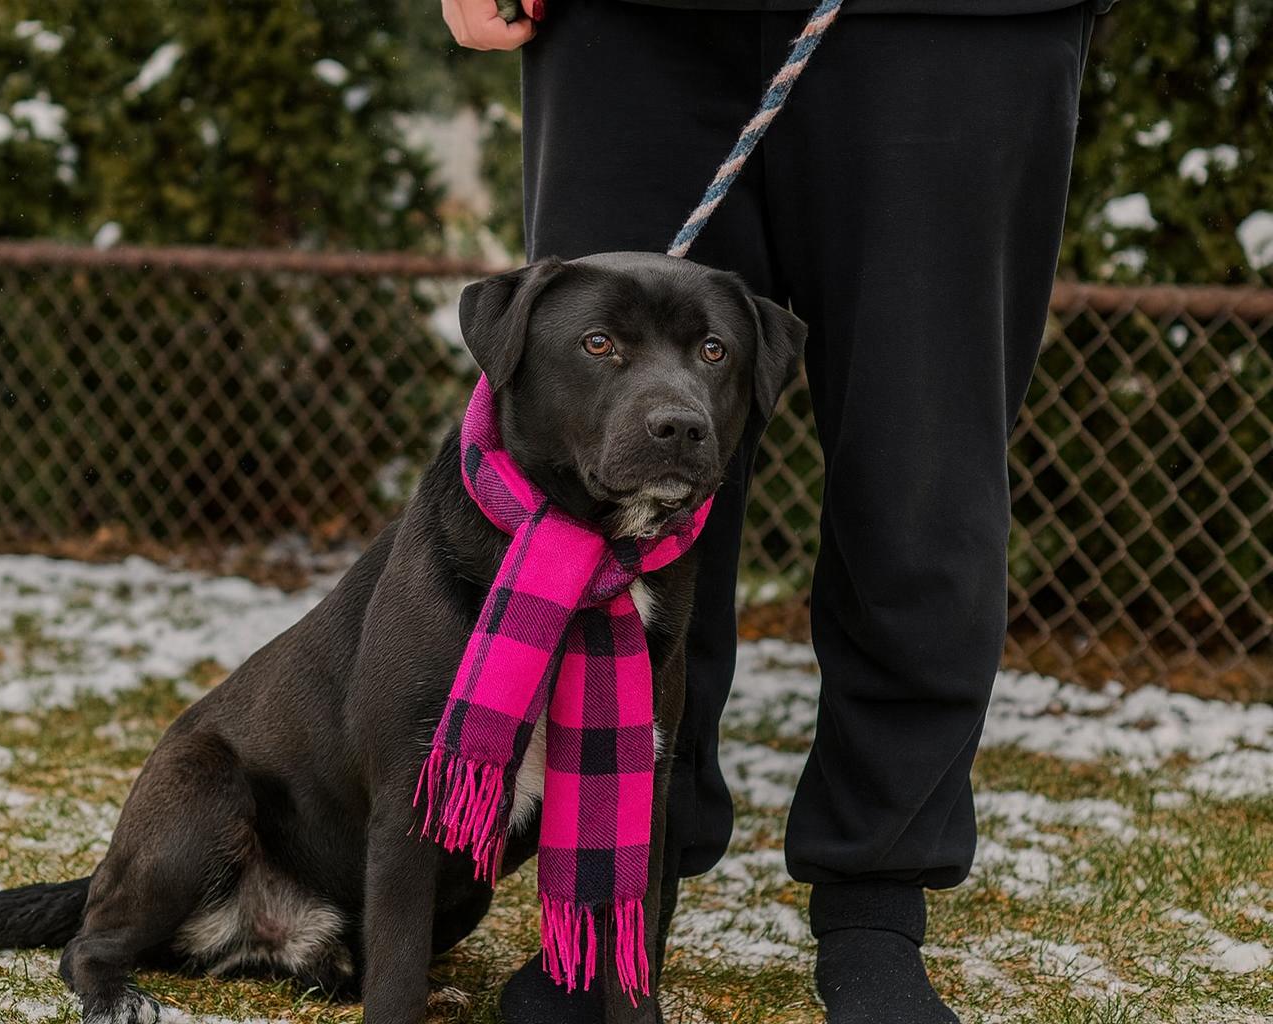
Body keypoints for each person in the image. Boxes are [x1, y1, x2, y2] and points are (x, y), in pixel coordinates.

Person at [442, 0, 1109, 1021]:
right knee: (603, 478)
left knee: (920, 481)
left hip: (956, 26)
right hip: (637, 24)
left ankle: (877, 907)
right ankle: (613, 902)